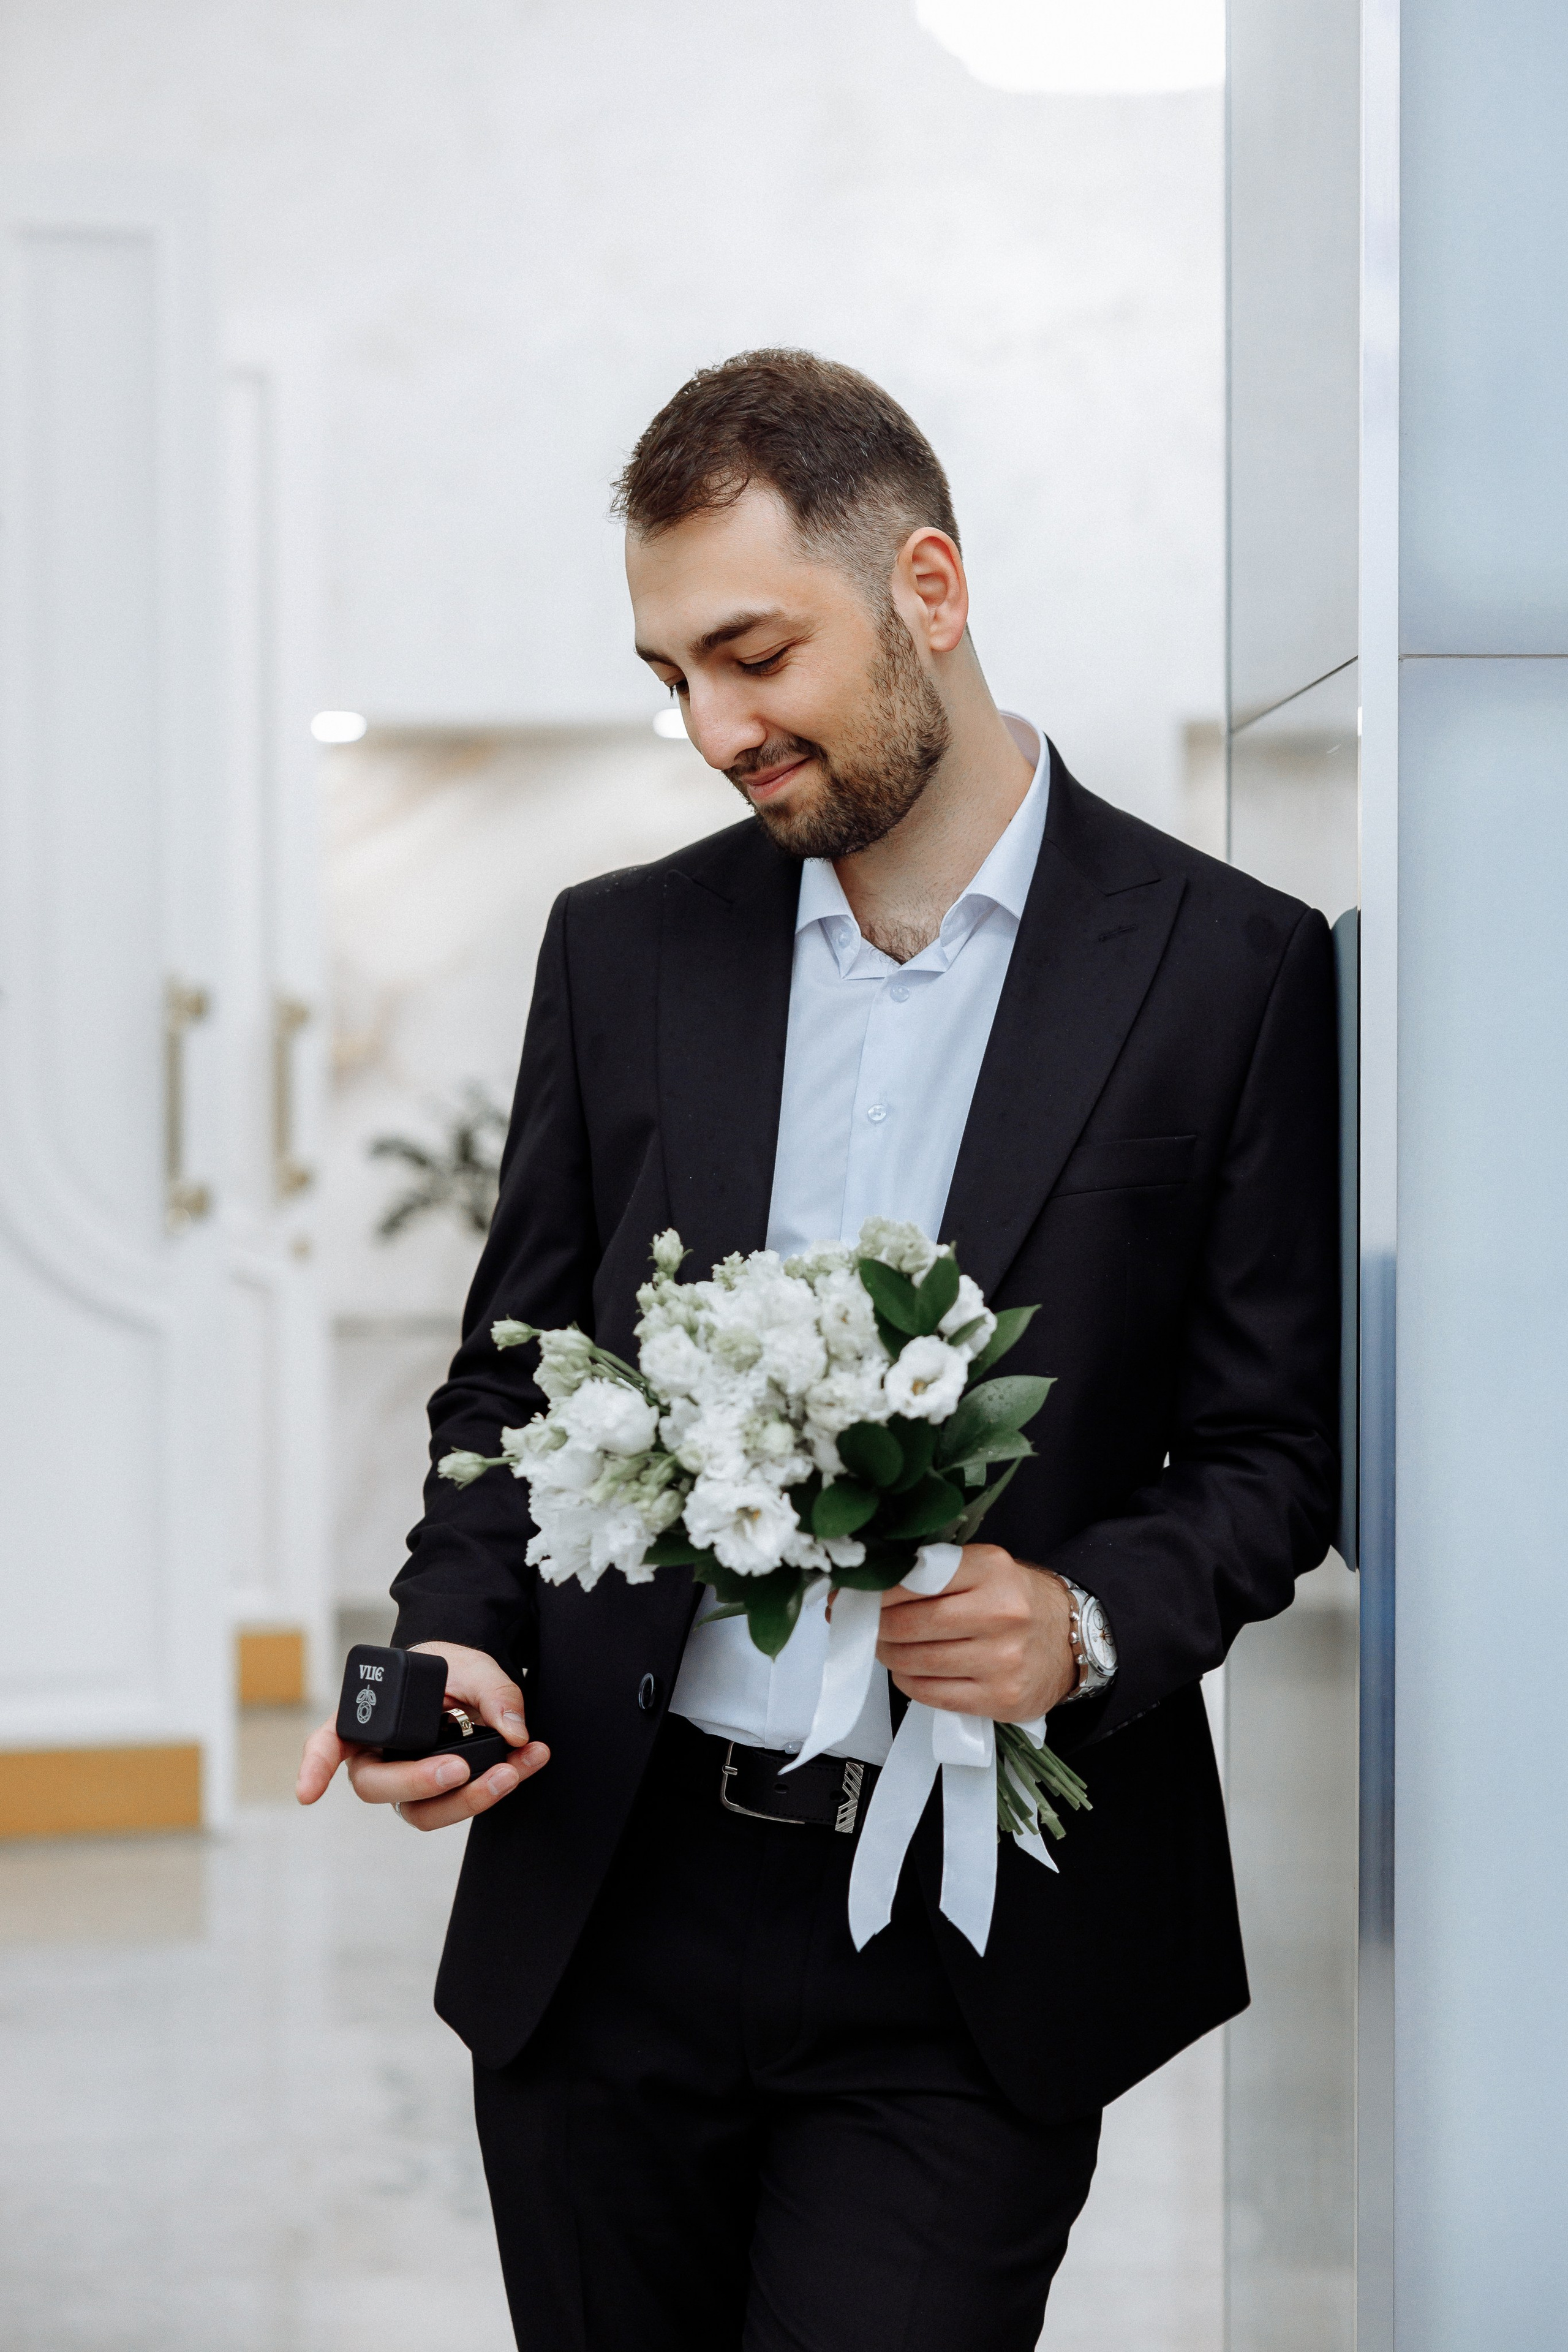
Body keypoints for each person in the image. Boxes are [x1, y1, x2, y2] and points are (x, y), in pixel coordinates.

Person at [298, 349, 1339, 2351]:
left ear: (928, 590)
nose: (713, 727)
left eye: (754, 653)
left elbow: (1271, 1450)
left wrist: (1090, 1619)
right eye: (671, 674)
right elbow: (512, 1382)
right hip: (606, 1906)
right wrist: (457, 1630)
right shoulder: (619, 951)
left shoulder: (1233, 970)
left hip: (974, 1943)